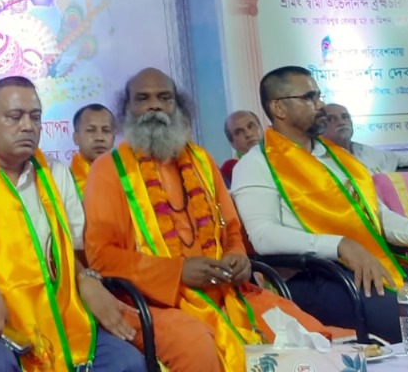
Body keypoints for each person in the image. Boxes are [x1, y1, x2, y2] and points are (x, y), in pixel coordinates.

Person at [232, 66, 408, 351]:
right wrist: (339, 246)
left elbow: (375, 216)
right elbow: (263, 235)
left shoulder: (338, 158)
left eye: (318, 95)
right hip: (316, 277)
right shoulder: (257, 164)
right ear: (279, 108)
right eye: (309, 97)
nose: (320, 105)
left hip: (376, 262)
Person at [85, 69, 347, 372]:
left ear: (178, 106)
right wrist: (176, 273)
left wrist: (237, 256)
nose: (154, 105)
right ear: (127, 109)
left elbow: (232, 230)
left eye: (164, 97)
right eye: (143, 99)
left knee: (301, 329)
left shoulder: (201, 160)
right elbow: (102, 256)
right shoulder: (108, 170)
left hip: (226, 292)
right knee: (196, 346)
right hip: (152, 301)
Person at [0, 76, 145, 372]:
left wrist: (87, 279)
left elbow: (71, 254)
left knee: (128, 363)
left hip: (58, 312)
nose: (28, 126)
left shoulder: (55, 174)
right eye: (14, 116)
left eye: (35, 117)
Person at [322, 103, 408, 173]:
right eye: (331, 119)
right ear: (320, 126)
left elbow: (395, 158)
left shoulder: (364, 151)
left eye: (345, 117)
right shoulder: (319, 158)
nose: (341, 122)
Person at [70, 103, 116, 197]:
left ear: (113, 138)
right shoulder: (65, 180)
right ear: (76, 138)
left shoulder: (127, 177)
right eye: (90, 130)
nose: (99, 138)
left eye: (106, 130)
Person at [219, 110, 262, 186]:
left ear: (261, 129)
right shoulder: (229, 170)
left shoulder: (278, 155)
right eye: (238, 132)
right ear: (231, 143)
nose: (248, 134)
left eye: (251, 126)